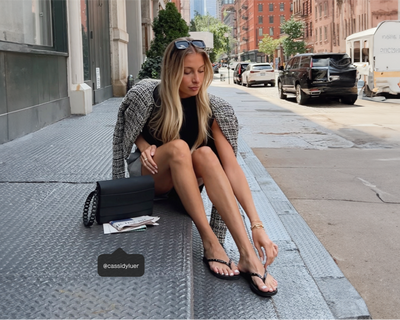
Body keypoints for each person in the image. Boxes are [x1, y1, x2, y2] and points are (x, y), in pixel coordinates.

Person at [112, 37, 278, 297]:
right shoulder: (150, 97)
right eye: (187, 72)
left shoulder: (212, 109)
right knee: (178, 147)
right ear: (171, 72)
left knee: (206, 155)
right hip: (151, 178)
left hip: (184, 183)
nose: (196, 79)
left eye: (201, 71)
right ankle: (209, 241)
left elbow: (232, 168)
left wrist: (258, 226)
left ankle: (247, 254)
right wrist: (143, 145)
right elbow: (127, 124)